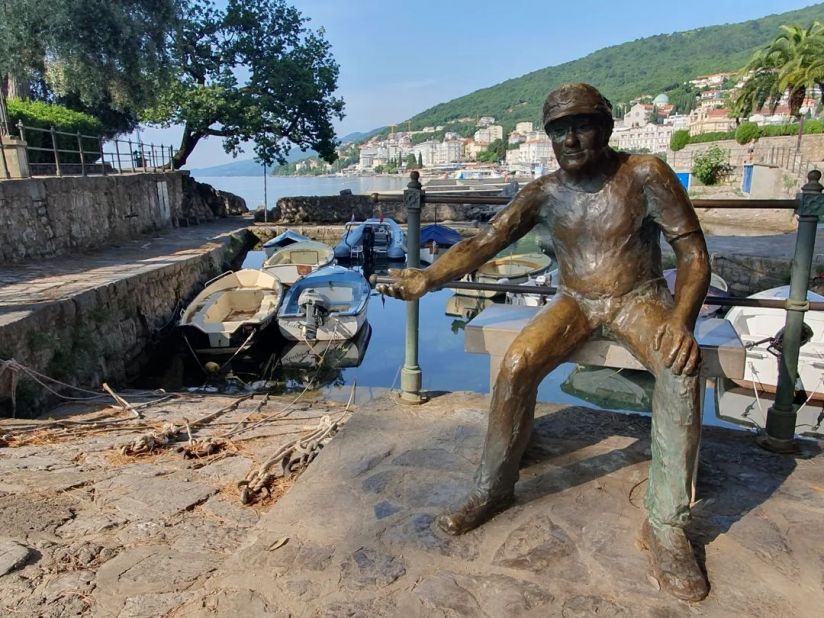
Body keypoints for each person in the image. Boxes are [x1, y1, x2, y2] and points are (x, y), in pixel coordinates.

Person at [377, 83, 711, 602]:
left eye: (580, 125)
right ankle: (492, 488)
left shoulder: (645, 174)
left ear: (606, 126)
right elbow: (485, 242)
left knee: (679, 367)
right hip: (574, 300)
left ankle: (666, 523)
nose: (570, 139)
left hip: (638, 298)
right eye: (558, 130)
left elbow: (692, 255)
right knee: (516, 364)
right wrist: (427, 278)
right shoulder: (543, 192)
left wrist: (682, 320)